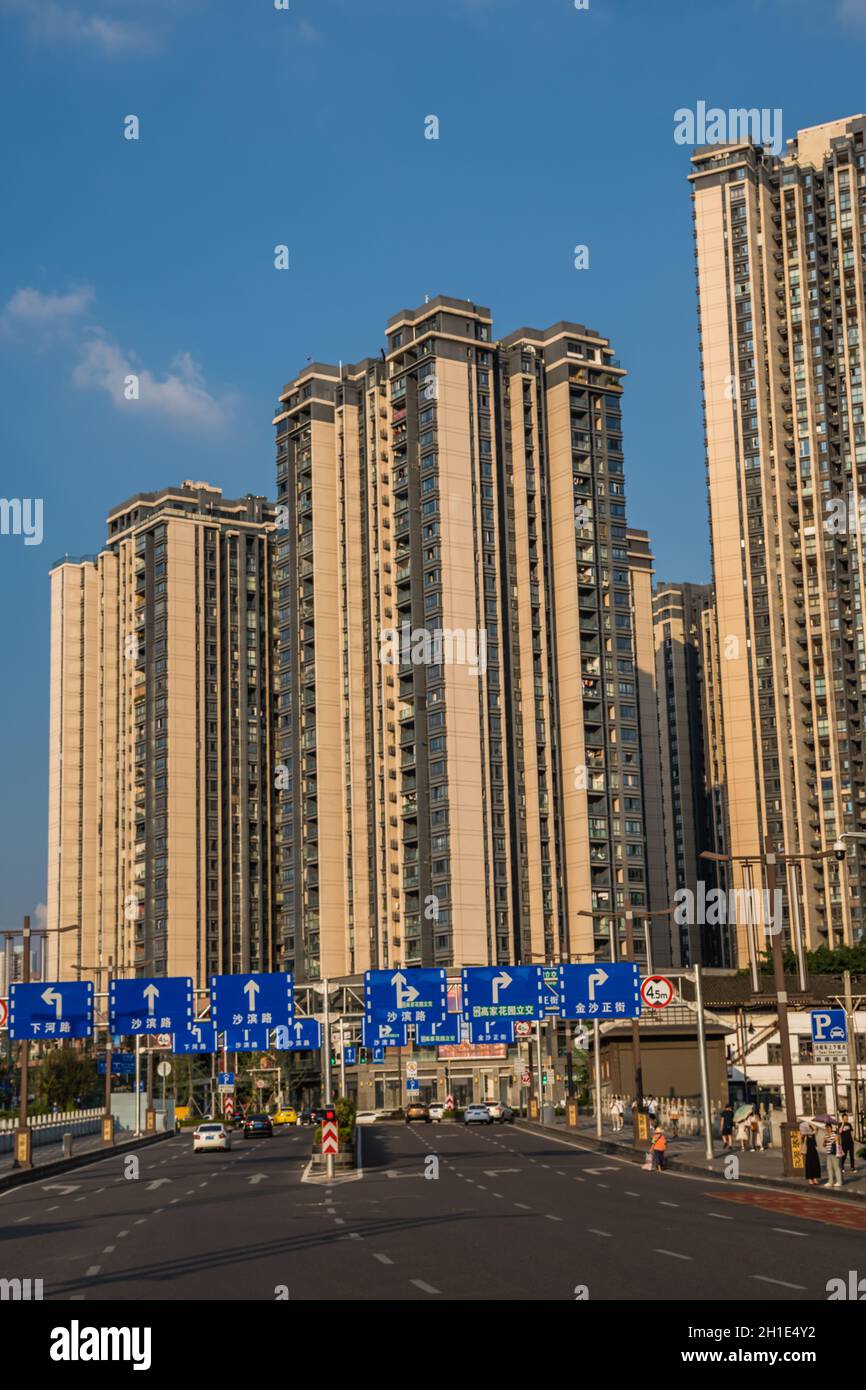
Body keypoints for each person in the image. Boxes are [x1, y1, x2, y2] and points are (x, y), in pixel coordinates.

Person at [822, 1123, 843, 1189]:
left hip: (834, 1153)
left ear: (831, 1128)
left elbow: (837, 1143)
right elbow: (824, 1145)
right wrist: (825, 1141)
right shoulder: (825, 1135)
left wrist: (834, 1141)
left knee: (836, 1167)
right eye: (826, 1128)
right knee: (829, 1168)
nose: (827, 1129)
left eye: (829, 1128)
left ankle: (839, 1181)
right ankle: (830, 1181)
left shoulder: (835, 1135)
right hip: (828, 1153)